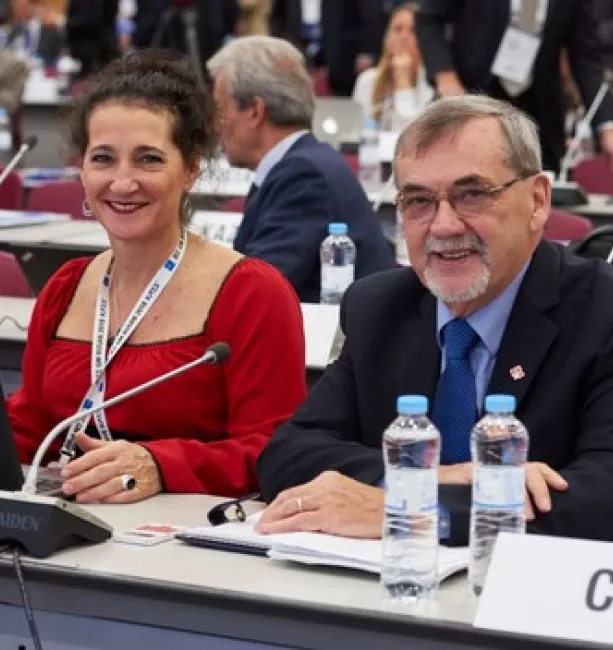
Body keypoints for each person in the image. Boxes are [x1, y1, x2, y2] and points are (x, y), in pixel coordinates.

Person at [256, 95, 613, 546]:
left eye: (472, 195)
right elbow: (288, 455)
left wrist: (408, 511)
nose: (443, 226)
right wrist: (445, 476)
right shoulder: (379, 306)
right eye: (419, 201)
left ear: (538, 201)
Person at [6, 51, 306, 504]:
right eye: (103, 158)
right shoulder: (65, 287)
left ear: (190, 169)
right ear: (82, 169)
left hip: (185, 550)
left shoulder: (252, 292)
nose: (123, 183)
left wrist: (160, 465)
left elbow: (277, 452)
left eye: (148, 159)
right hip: (66, 534)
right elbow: (30, 427)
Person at [208, 36, 395, 304]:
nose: (216, 125)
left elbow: (255, 292)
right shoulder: (303, 162)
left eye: (220, 110)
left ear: (255, 111)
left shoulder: (303, 176)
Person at [415, 0, 613, 174]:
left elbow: (586, 58)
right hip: (474, 96)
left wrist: (606, 127)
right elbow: (428, 19)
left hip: (539, 111)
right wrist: (445, 77)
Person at [353, 3, 434, 132]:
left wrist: (403, 83)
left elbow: (413, 137)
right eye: (397, 29)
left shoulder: (432, 83)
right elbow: (358, 130)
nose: (403, 37)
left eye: (412, 31)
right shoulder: (367, 80)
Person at [4, 0, 63, 66]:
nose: (19, 11)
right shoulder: (15, 29)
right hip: (13, 70)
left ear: (34, 6)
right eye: (17, 7)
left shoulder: (49, 29)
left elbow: (57, 57)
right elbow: (6, 50)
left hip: (38, 71)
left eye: (23, 7)